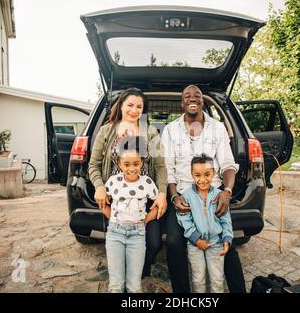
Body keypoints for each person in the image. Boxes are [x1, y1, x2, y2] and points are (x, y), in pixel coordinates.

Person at [161, 84, 246, 293]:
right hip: (181, 194)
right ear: (182, 103)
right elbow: (168, 169)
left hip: (213, 192)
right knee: (173, 242)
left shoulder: (217, 128)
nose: (192, 98)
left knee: (228, 242)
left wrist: (227, 191)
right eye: (187, 96)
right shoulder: (170, 130)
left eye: (197, 95)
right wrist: (174, 198)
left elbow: (227, 164)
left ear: (202, 101)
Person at [88, 87, 167, 278]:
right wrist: (99, 186)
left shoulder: (150, 131)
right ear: (121, 106)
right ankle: (121, 276)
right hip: (116, 198)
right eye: (130, 105)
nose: (134, 110)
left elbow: (160, 166)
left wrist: (162, 193)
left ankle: (138, 273)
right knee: (119, 242)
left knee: (154, 242)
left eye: (139, 106)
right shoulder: (107, 131)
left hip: (145, 197)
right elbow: (93, 165)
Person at [101, 136, 159, 292]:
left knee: (134, 285)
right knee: (116, 284)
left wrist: (146, 219)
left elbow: (157, 205)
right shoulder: (113, 181)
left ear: (142, 163)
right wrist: (112, 217)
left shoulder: (147, 182)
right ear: (119, 163)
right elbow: (103, 203)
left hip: (137, 235)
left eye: (136, 163)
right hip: (115, 233)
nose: (132, 168)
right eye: (126, 164)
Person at [177, 154, 233, 293]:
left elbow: (226, 220)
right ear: (192, 175)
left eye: (207, 174)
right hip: (195, 246)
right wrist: (196, 239)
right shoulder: (187, 195)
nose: (202, 179)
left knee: (217, 280)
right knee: (198, 280)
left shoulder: (219, 195)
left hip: (216, 243)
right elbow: (184, 220)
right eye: (197, 175)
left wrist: (227, 238)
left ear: (213, 173)